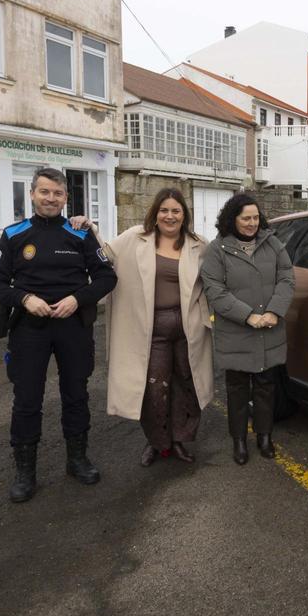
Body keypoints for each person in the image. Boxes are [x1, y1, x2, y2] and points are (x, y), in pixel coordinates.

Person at [0, 168, 117, 503]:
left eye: (57, 193)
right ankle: (25, 472)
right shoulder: (14, 235)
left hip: (73, 326)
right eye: (44, 192)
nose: (51, 198)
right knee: (27, 400)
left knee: (76, 394)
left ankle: (77, 460)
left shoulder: (80, 234)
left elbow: (106, 277)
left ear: (66, 198)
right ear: (32, 194)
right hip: (30, 328)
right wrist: (25, 299)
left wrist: (78, 299)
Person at [71, 190, 213, 466]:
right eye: (164, 210)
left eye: (176, 211)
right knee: (154, 389)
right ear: (155, 213)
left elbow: (216, 280)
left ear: (184, 215)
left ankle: (180, 440)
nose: (170, 216)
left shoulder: (199, 245)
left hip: (188, 328)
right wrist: (90, 229)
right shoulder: (135, 237)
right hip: (151, 329)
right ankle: (157, 443)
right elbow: (105, 255)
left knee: (187, 385)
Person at [199, 194, 295, 465]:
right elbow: (215, 291)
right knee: (238, 390)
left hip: (270, 328)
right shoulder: (217, 250)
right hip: (237, 332)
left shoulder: (272, 243)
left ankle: (265, 437)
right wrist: (248, 316)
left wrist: (274, 311)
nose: (252, 223)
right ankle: (239, 441)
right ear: (233, 219)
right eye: (246, 218)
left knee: (266, 386)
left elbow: (287, 277)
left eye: (255, 217)